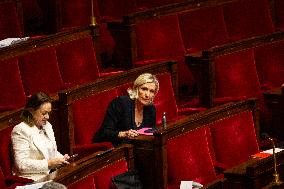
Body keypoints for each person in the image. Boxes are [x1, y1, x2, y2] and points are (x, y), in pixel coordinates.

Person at [11, 92, 70, 181]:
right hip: (32, 179)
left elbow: (50, 152)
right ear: (31, 111)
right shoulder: (21, 130)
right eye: (44, 113)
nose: (47, 117)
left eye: (49, 113)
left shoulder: (48, 125)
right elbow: (21, 164)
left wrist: (61, 159)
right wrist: (49, 164)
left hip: (51, 174)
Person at [93, 73, 159, 146]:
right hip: (115, 149)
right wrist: (124, 134)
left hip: (138, 149)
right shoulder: (121, 103)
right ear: (136, 88)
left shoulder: (150, 109)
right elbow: (104, 133)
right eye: (144, 89)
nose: (147, 95)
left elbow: (150, 134)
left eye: (152, 91)